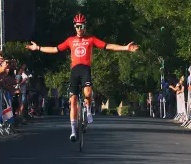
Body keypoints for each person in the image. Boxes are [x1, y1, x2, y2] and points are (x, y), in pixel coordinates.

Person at [25, 13, 139, 142]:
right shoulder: (70, 40)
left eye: (82, 26)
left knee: (88, 92)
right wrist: (38, 47)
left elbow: (108, 46)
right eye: (77, 26)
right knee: (73, 100)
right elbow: (55, 49)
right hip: (75, 70)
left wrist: (125, 48)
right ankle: (73, 131)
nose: (79, 29)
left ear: (85, 27)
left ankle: (89, 110)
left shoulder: (91, 39)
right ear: (75, 27)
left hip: (85, 69)